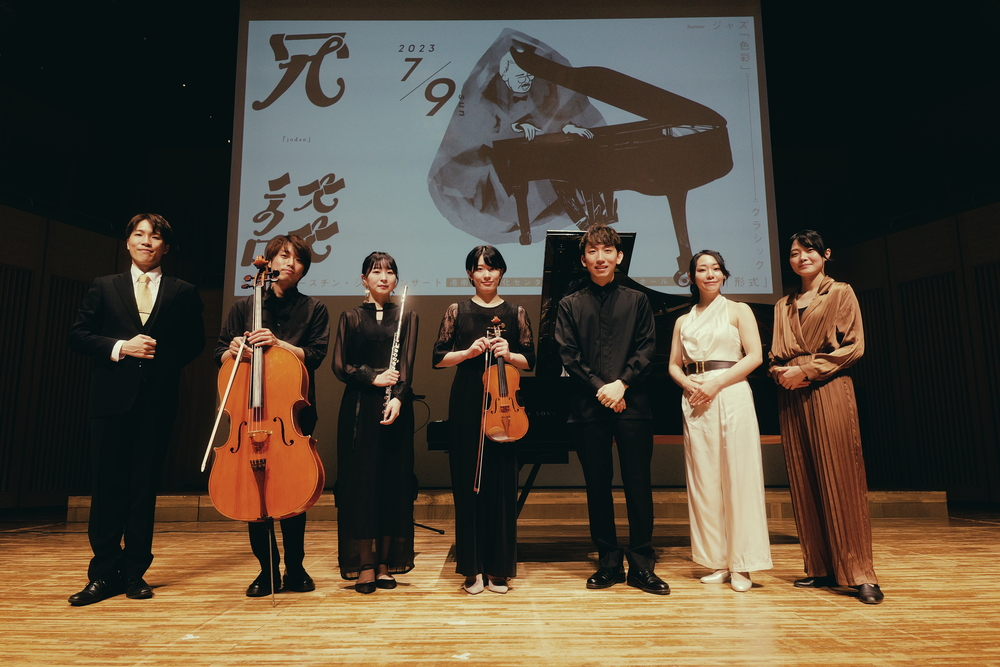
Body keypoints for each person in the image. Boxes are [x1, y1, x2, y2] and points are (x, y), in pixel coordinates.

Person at [67, 213, 205, 606]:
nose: (146, 241)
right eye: (139, 234)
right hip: (110, 400)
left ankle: (134, 572)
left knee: (143, 489)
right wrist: (120, 347)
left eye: (155, 236)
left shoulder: (183, 291)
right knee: (106, 487)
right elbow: (78, 335)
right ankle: (102, 574)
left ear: (166, 247)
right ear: (128, 241)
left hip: (157, 402)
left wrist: (161, 361)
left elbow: (194, 343)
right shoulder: (104, 286)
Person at [769, 230, 883, 605]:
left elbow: (854, 346)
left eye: (809, 251)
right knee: (804, 479)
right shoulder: (782, 305)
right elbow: (775, 355)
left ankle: (860, 574)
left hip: (829, 387)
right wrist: (780, 373)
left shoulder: (840, 292)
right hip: (791, 394)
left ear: (825, 254)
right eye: (794, 253)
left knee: (842, 477)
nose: (802, 257)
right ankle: (820, 567)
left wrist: (808, 370)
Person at [555, 223, 668, 595]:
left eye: (607, 251)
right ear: (583, 259)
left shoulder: (637, 301)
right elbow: (569, 355)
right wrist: (601, 388)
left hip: (632, 403)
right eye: (592, 251)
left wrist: (622, 384)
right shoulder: (569, 304)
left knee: (638, 483)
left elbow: (647, 347)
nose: (600, 257)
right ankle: (608, 562)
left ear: (619, 257)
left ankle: (641, 564)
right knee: (597, 485)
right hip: (588, 407)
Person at [215, 234, 330, 597]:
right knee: (255, 495)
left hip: (291, 413)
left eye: (297, 259)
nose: (289, 263)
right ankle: (267, 570)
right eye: (282, 256)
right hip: (249, 415)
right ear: (269, 262)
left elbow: (316, 355)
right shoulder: (244, 307)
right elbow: (219, 352)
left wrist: (280, 345)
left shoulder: (314, 308)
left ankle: (295, 568)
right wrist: (233, 349)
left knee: (292, 491)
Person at [667, 250, 772, 593]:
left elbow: (755, 356)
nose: (709, 274)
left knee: (739, 477)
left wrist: (715, 384)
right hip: (695, 398)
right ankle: (718, 561)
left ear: (724, 275)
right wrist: (688, 385)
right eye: (702, 269)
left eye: (715, 268)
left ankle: (743, 564)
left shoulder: (739, 310)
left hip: (731, 393)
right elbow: (673, 364)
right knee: (705, 481)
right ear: (691, 277)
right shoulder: (683, 321)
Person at [433, 245, 535, 594]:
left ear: (501, 272)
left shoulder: (516, 312)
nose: (486, 274)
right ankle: (472, 569)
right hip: (467, 401)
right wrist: (468, 352)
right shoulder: (457, 310)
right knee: (468, 485)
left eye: (492, 268)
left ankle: (498, 569)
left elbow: (530, 360)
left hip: (504, 404)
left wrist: (511, 353)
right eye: (479, 268)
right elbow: (438, 358)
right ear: (470, 274)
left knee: (502, 486)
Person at [332, 252, 418, 594]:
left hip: (395, 408)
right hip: (360, 409)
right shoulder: (350, 317)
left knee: (393, 484)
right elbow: (340, 365)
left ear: (396, 279)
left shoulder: (407, 316)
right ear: (363, 279)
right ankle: (365, 564)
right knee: (361, 486)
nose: (384, 277)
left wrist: (398, 396)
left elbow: (407, 364)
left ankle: (384, 564)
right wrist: (373, 377)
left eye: (390, 271)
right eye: (376, 271)